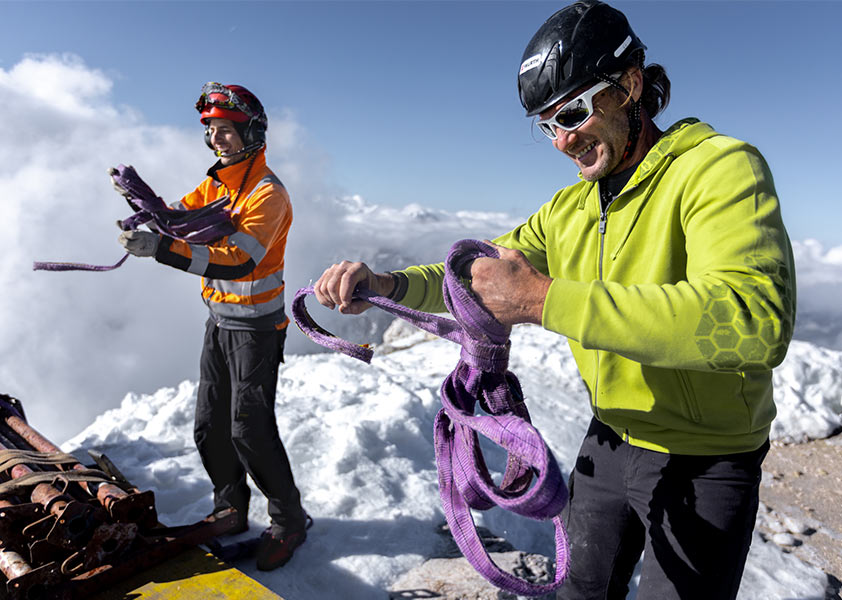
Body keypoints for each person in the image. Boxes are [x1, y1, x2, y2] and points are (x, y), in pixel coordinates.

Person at [312, 2, 796, 598]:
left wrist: (543, 301)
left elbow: (751, 321)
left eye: (573, 111)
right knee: (576, 593)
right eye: (547, 124)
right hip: (611, 439)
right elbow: (478, 276)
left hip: (706, 457)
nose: (563, 140)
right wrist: (386, 284)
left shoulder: (718, 170)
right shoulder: (570, 210)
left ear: (630, 86)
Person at [117, 82, 309, 571]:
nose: (217, 139)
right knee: (209, 427)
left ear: (251, 133)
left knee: (249, 431)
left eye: (225, 130)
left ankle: (289, 521)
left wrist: (160, 249)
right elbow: (180, 216)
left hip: (257, 332)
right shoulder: (220, 185)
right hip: (221, 323)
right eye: (212, 131)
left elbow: (238, 261)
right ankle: (230, 508)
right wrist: (150, 213)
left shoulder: (268, 193)